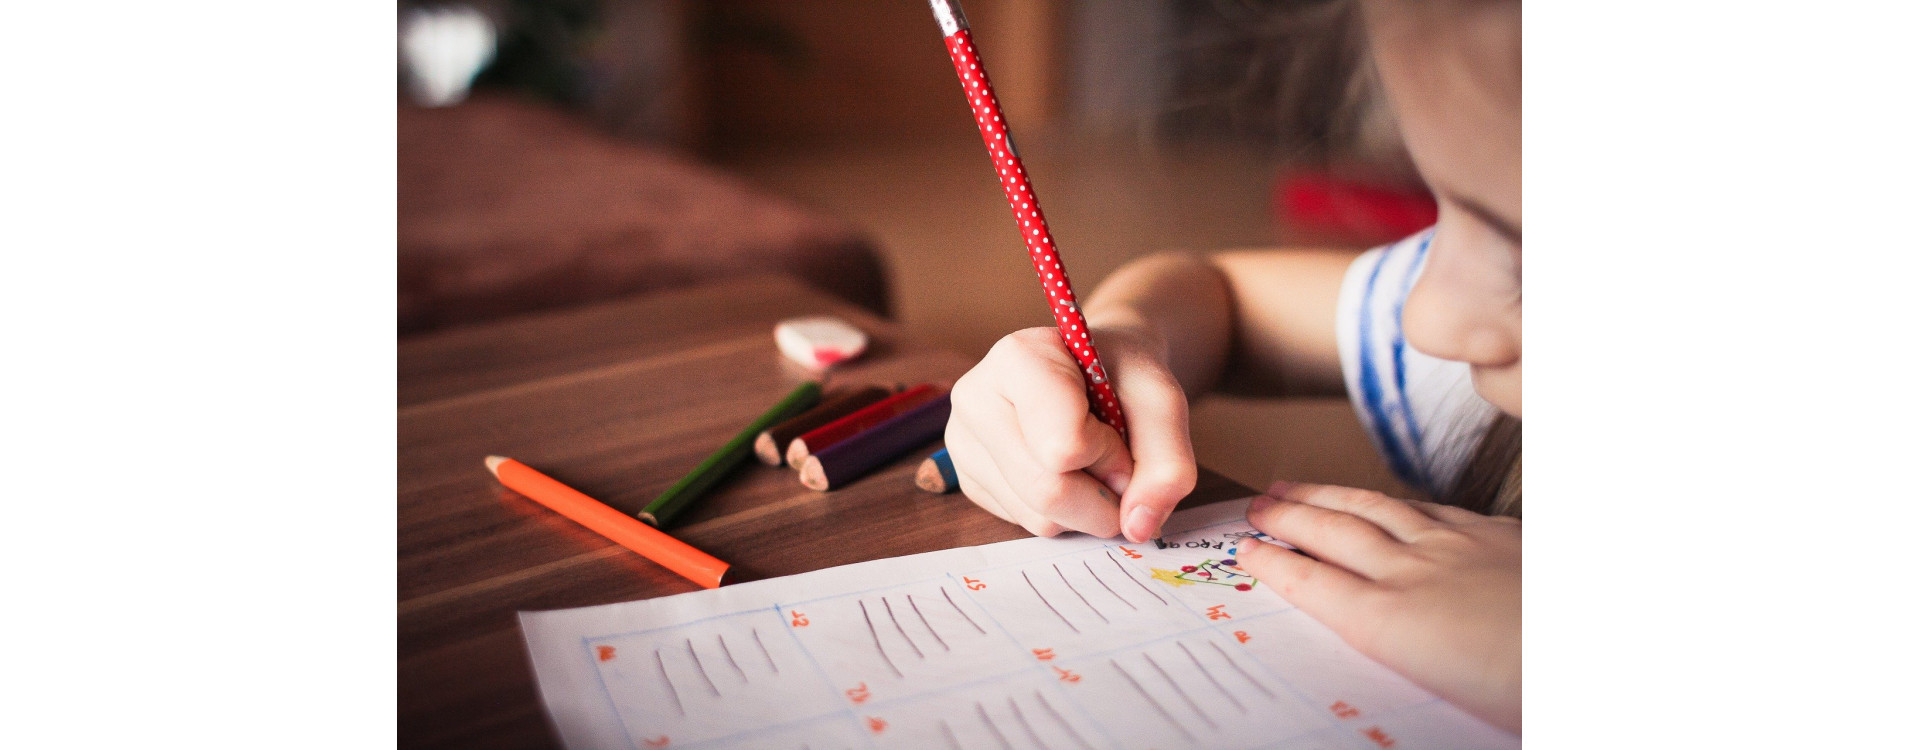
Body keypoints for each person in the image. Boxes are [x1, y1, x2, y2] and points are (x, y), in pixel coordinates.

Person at [942, 0, 1523, 734]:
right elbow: (1222, 297)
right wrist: (1129, 339)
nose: (1422, 316)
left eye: (1524, 255)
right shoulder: (1479, 340)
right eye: (1441, 212)